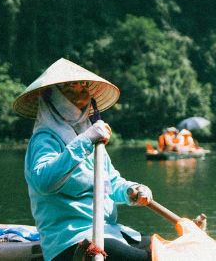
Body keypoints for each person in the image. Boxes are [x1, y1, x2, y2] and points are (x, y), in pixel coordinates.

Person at [14, 58, 155, 261]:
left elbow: (110, 183)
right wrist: (86, 141)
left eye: (83, 88)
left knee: (162, 247)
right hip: (70, 241)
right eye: (71, 88)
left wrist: (131, 191)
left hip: (108, 232)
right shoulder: (46, 138)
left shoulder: (92, 135)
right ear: (52, 96)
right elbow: (44, 181)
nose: (81, 93)